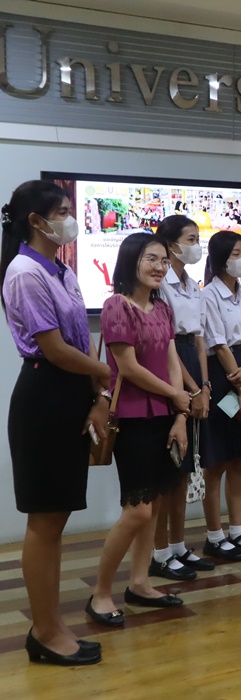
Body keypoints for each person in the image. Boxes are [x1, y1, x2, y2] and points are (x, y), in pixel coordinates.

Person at [0, 181, 108, 665]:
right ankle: (44, 632)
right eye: (62, 211)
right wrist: (105, 372)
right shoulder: (24, 272)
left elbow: (81, 339)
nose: (70, 219)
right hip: (44, 397)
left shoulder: (61, 270)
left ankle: (52, 624)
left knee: (57, 518)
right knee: (44, 521)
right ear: (35, 221)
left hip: (69, 394)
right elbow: (55, 349)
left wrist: (98, 395)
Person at [88, 233, 192, 626]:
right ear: (131, 260)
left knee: (156, 506)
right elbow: (128, 368)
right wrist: (176, 395)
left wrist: (180, 413)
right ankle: (100, 593)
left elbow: (172, 362)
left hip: (166, 414)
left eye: (164, 260)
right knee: (138, 510)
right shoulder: (117, 305)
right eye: (151, 258)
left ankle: (140, 583)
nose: (159, 267)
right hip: (132, 419)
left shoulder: (162, 307)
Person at [149, 215, 215, 580]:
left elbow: (200, 339)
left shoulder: (193, 284)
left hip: (192, 362)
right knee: (168, 468)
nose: (195, 246)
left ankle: (178, 546)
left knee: (185, 468)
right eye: (190, 239)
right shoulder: (161, 285)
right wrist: (190, 389)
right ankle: (158, 553)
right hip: (171, 366)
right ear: (170, 243)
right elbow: (168, 343)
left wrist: (205, 386)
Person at [201, 230, 241, 561]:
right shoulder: (210, 295)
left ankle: (237, 532)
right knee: (217, 461)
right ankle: (215, 536)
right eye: (235, 254)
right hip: (224, 377)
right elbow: (220, 345)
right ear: (220, 258)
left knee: (238, 458)